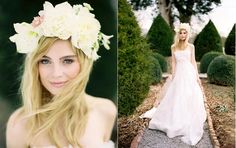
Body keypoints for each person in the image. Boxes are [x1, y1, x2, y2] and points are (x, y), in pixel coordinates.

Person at [6, 1, 116, 148]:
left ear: (84, 63)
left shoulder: (106, 110)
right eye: (45, 61)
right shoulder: (21, 123)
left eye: (67, 61)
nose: (56, 74)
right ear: (35, 66)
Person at [140, 23, 207, 145]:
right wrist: (173, 75)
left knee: (189, 94)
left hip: (189, 72)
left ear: (187, 34)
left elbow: (193, 61)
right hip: (179, 73)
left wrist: (197, 78)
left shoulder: (191, 46)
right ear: (178, 33)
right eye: (180, 32)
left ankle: (188, 117)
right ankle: (175, 119)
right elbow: (174, 63)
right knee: (177, 95)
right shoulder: (173, 47)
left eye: (185, 32)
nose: (182, 35)